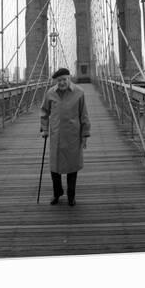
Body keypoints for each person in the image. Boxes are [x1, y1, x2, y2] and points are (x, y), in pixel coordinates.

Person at [40, 68, 91, 206]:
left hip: (73, 136)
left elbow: (84, 114)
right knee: (54, 168)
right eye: (59, 80)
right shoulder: (50, 93)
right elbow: (44, 112)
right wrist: (44, 129)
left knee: (72, 167)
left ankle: (71, 195)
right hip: (56, 136)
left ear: (69, 78)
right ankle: (57, 193)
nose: (61, 82)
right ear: (56, 81)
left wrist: (85, 134)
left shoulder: (79, 93)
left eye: (64, 79)